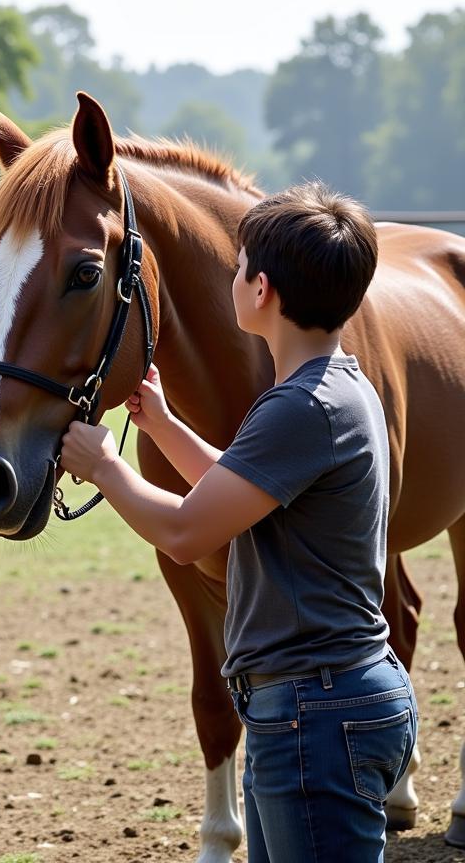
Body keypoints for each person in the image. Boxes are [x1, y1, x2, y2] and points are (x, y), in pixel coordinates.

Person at [60, 181, 418, 862]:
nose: (232, 276)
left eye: (238, 263)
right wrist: (162, 425)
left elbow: (189, 531)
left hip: (315, 711)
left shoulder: (299, 410)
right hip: (322, 700)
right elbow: (242, 488)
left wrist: (106, 467)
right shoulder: (334, 388)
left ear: (261, 290)